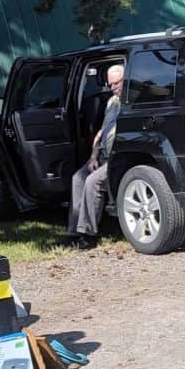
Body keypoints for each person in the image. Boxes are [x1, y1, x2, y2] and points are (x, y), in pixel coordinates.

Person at [62, 64, 124, 250]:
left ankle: (88, 234)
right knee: (78, 178)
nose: (113, 87)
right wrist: (93, 157)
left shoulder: (131, 103)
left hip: (117, 158)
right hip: (102, 154)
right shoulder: (112, 102)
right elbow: (101, 132)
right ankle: (73, 232)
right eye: (110, 84)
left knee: (93, 182)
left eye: (117, 83)